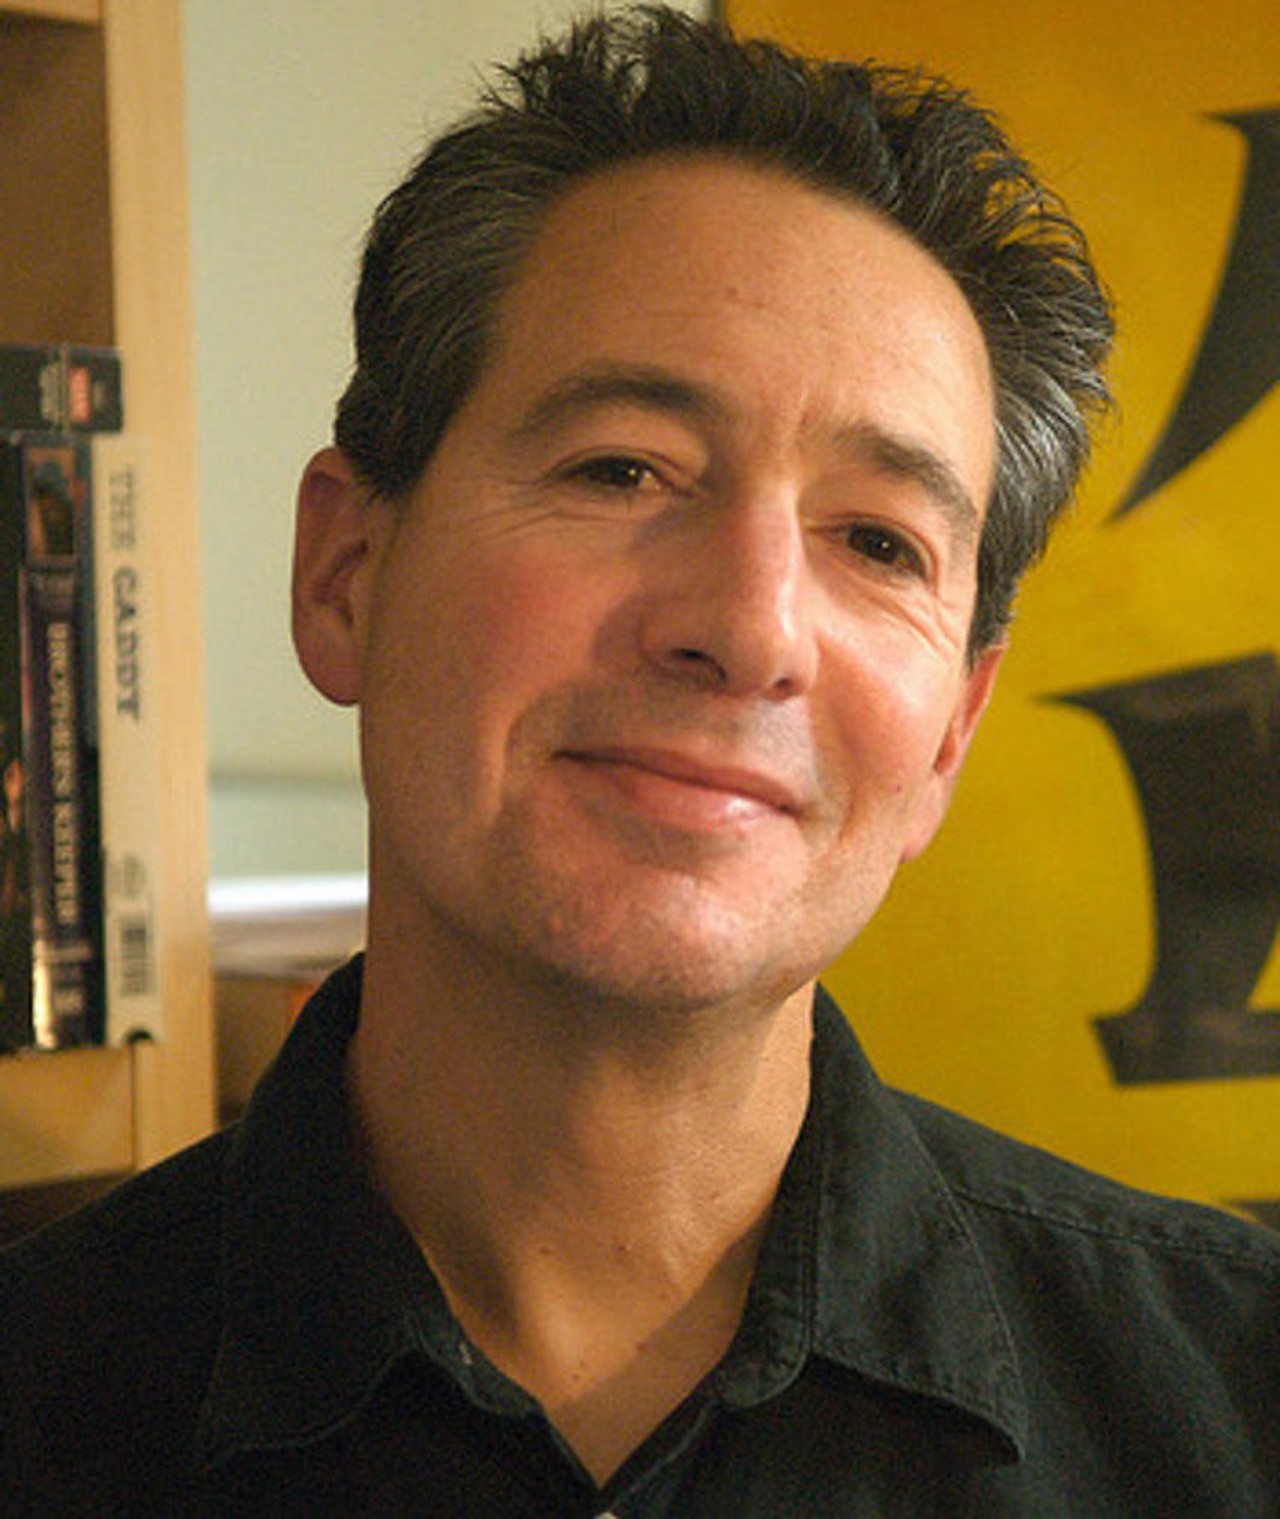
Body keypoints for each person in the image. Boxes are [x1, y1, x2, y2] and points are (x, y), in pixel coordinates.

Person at [2, 7, 1276, 1514]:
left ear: (952, 732)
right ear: (346, 574)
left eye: (879, 542)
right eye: (623, 469)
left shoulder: (1232, 1403)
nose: (751, 628)